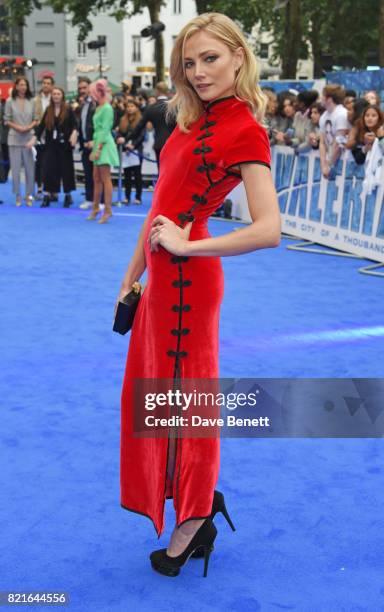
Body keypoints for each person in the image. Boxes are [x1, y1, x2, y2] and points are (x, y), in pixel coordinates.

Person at [117, 12, 280, 578]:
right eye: (189, 62)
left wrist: (187, 247)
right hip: (162, 282)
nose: (199, 71)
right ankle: (194, 503)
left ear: (239, 57)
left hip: (191, 282)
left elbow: (269, 229)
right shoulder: (188, 121)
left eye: (211, 58)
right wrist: (133, 274)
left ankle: (194, 516)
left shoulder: (245, 130)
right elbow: (161, 204)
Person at [31, 87, 77, 207]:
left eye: (58, 94)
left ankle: (68, 195)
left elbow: (75, 125)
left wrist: (73, 134)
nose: (56, 96)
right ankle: (47, 196)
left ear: (62, 96)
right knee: (48, 171)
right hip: (50, 146)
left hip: (65, 146)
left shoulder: (68, 109)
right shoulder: (48, 110)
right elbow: (41, 126)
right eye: (54, 94)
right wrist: (34, 138)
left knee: (66, 171)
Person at [86, 79, 119, 224]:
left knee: (105, 179)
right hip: (98, 143)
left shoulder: (107, 108)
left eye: (92, 93)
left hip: (104, 145)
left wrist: (98, 149)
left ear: (99, 92)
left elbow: (105, 131)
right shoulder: (98, 107)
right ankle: (95, 208)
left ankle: (107, 210)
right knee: (96, 178)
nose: (91, 96)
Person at [4, 77, 37, 206]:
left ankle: (29, 196)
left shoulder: (32, 101)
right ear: (16, 86)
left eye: (25, 85)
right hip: (14, 138)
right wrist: (18, 127)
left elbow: (36, 118)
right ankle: (18, 196)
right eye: (21, 84)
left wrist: (29, 127)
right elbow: (7, 120)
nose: (23, 87)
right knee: (16, 170)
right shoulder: (9, 101)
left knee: (30, 169)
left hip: (29, 138)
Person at [128, 81, 176, 170]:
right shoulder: (174, 106)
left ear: (157, 91)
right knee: (173, 171)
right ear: (167, 91)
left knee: (161, 172)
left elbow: (139, 127)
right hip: (174, 144)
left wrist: (128, 139)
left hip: (159, 144)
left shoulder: (151, 108)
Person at [116, 99, 146, 204]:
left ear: (136, 108)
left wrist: (133, 145)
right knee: (127, 175)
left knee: (137, 175)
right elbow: (119, 133)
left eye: (132, 106)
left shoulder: (141, 119)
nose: (130, 108)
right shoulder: (122, 119)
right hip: (125, 151)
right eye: (128, 106)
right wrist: (119, 139)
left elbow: (142, 135)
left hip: (136, 151)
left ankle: (138, 197)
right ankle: (127, 197)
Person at [319, 84, 349, 178]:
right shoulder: (324, 116)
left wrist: (329, 165)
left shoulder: (342, 114)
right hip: (330, 159)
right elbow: (322, 143)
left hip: (342, 160)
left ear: (329, 99)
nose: (321, 98)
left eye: (323, 95)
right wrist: (323, 164)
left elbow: (338, 144)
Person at [34, 75, 54, 200]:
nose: (46, 85)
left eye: (48, 83)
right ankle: (40, 188)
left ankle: (52, 189)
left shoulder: (56, 99)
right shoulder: (35, 100)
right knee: (39, 163)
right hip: (39, 135)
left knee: (52, 164)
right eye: (44, 83)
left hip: (52, 137)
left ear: (52, 85)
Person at [77, 77, 96, 210]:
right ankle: (89, 199)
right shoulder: (83, 104)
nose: (82, 90)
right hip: (84, 144)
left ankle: (99, 201)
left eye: (84, 87)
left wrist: (94, 140)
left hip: (95, 143)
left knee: (97, 175)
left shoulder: (95, 103)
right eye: (80, 88)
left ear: (90, 88)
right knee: (88, 174)